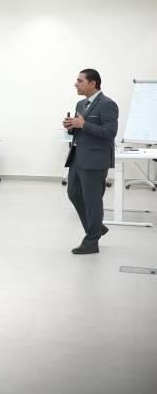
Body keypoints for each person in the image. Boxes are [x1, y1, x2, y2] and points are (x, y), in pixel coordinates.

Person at [63, 68, 118, 255]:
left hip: (95, 160)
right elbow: (80, 129)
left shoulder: (108, 104)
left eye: (80, 81)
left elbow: (110, 132)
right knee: (73, 193)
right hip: (77, 157)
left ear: (93, 83)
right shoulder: (80, 104)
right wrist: (71, 126)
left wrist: (83, 124)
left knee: (92, 201)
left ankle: (92, 241)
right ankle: (96, 227)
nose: (76, 84)